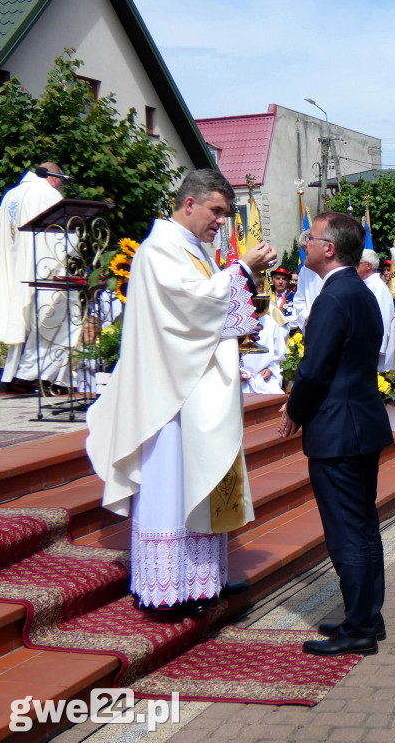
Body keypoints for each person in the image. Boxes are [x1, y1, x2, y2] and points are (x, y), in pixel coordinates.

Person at [86, 169, 277, 612]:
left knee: (200, 480)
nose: (220, 223)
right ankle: (165, 590)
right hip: (166, 396)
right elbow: (193, 307)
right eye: (216, 212)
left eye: (225, 215)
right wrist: (243, 269)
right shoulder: (159, 250)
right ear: (189, 203)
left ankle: (198, 579)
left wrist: (235, 277)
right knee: (172, 485)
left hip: (192, 388)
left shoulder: (194, 250)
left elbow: (209, 306)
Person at [278, 212, 393, 657]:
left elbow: (315, 367)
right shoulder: (362, 292)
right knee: (363, 527)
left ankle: (360, 629)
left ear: (330, 248)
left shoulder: (332, 297)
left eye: (311, 237)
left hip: (338, 428)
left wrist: (294, 409)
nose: (304, 243)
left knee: (347, 531)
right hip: (361, 422)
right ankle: (367, 615)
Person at [0, 163, 75, 392]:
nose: (61, 185)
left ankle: (13, 374)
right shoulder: (47, 194)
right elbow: (63, 237)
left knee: (27, 322)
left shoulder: (10, 196)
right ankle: (35, 375)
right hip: (44, 271)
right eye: (61, 180)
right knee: (65, 316)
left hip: (16, 271)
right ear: (53, 177)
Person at [357, 249, 395, 371]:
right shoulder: (365, 284)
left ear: (367, 266)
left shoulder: (378, 287)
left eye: (357, 262)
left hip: (375, 353)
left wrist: (378, 350)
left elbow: (383, 319)